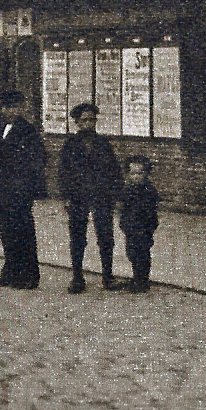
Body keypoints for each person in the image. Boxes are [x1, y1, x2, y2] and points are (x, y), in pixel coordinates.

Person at [59, 101, 122, 293]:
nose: (89, 124)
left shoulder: (103, 144)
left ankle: (108, 277)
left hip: (101, 196)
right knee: (78, 237)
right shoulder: (70, 145)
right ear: (77, 122)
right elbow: (63, 173)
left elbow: (114, 171)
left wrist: (116, 196)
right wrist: (66, 197)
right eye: (85, 120)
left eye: (92, 120)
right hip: (78, 197)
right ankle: (77, 277)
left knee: (105, 237)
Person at [0, 88, 47, 289]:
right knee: (7, 232)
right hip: (3, 190)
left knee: (23, 232)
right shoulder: (1, 129)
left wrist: (27, 186)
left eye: (14, 107)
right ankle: (10, 272)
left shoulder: (28, 131)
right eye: (6, 107)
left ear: (20, 108)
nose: (9, 111)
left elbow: (37, 160)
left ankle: (29, 276)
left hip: (20, 191)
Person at [119, 156, 162, 293]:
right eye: (133, 173)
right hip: (131, 227)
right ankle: (137, 276)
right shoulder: (127, 190)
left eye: (140, 173)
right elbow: (123, 208)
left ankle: (143, 280)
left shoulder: (149, 190)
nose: (136, 177)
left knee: (143, 253)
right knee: (132, 253)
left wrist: (149, 226)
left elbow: (151, 210)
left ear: (146, 174)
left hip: (144, 227)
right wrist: (124, 223)